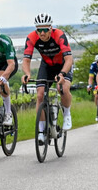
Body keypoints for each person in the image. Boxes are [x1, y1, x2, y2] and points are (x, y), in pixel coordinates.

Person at [20, 13, 73, 143]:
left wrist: (62, 74)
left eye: (45, 30)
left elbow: (69, 59)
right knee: (40, 95)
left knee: (63, 89)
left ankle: (66, 114)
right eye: (39, 30)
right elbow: (26, 60)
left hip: (63, 65)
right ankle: (41, 131)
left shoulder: (59, 35)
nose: (42, 33)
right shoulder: (32, 37)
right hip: (47, 65)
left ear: (51, 29)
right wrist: (27, 74)